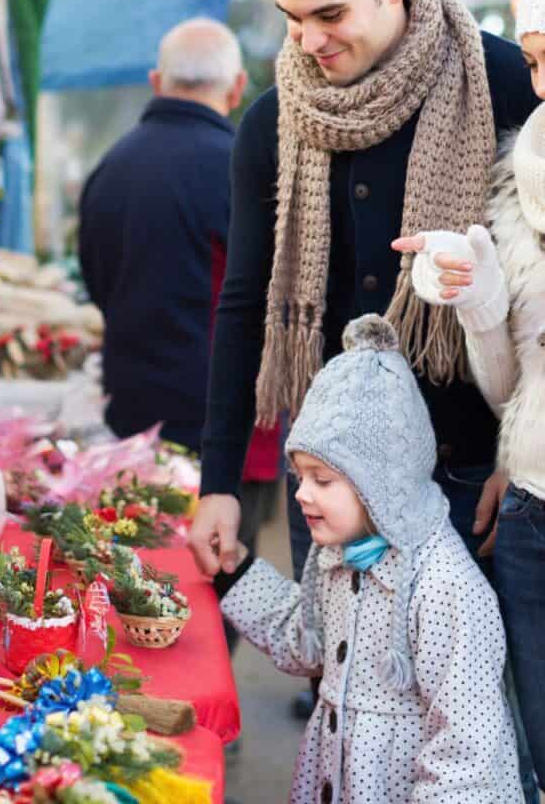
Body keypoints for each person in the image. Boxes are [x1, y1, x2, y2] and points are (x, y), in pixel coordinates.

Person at [190, 0, 539, 578]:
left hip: (468, 476)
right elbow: (245, 304)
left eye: (329, 13)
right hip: (330, 479)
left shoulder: (507, 82)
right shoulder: (270, 123)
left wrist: (524, 466)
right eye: (293, 19)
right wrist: (219, 482)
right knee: (338, 679)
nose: (310, 41)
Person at [216, 315, 524, 804]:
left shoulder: (446, 588)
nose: (301, 495)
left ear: (381, 479)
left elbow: (466, 754)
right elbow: (306, 638)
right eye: (299, 477)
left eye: (323, 479)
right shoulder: (341, 555)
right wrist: (232, 575)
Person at [391, 0, 545, 788]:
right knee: (527, 751)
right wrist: (478, 287)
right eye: (536, 59)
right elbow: (513, 377)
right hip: (529, 507)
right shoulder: (516, 181)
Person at [79, 17, 247, 453]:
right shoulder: (241, 168)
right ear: (238, 87)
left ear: (156, 82)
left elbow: (96, 280)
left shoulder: (111, 165)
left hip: (129, 408)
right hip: (218, 419)